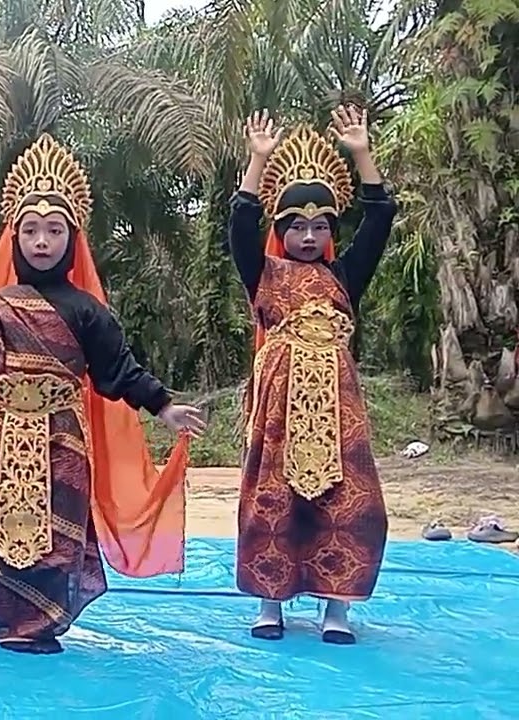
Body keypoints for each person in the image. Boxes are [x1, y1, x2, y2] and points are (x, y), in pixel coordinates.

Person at [0, 133, 206, 655]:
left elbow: (120, 371)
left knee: (57, 533)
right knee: (2, 531)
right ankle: (6, 624)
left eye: (54, 230)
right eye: (32, 230)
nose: (42, 241)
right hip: (3, 439)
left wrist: (165, 407)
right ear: (14, 237)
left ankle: (43, 625)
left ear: (72, 237)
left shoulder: (88, 311)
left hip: (63, 440)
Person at [230, 106, 396, 644]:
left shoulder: (344, 277)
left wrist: (361, 154)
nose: (308, 235)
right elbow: (238, 224)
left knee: (351, 503)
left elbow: (379, 218)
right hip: (279, 406)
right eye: (296, 225)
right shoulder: (264, 274)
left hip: (337, 408)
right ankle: (269, 604)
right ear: (281, 230)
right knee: (271, 499)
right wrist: (257, 162)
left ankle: (337, 608)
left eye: (319, 226)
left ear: (330, 232)